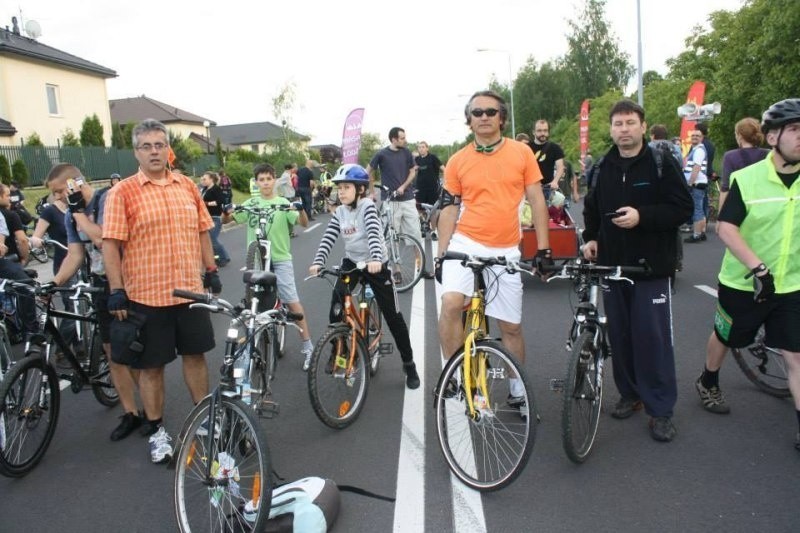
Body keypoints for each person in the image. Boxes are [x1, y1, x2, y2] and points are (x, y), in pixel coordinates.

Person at [102, 119, 220, 464]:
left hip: (190, 293)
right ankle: (156, 431)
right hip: (146, 296)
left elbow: (202, 232)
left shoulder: (186, 186)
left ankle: (203, 420)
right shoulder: (122, 192)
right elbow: (111, 245)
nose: (154, 151)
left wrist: (211, 270)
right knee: (152, 367)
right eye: (146, 146)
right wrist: (116, 290)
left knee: (196, 357)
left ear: (167, 149)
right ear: (136, 152)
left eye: (159, 145)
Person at [582, 99, 692, 443]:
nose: (624, 129)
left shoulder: (661, 163)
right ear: (611, 129)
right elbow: (591, 210)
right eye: (618, 124)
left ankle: (661, 410)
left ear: (643, 127)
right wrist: (591, 239)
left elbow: (682, 208)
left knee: (653, 340)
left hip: (651, 269)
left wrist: (642, 217)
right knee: (622, 337)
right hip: (612, 267)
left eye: (630, 123)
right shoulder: (602, 167)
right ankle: (630, 395)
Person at [437, 90, 552, 418]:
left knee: (511, 327)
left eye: (490, 112)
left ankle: (518, 390)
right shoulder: (458, 160)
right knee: (450, 304)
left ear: (501, 117)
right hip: (465, 242)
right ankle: (455, 375)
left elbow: (537, 200)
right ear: (469, 119)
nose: (484, 117)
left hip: (505, 248)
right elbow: (449, 208)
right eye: (477, 112)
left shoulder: (522, 153)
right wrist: (443, 253)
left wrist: (543, 248)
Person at [694, 98, 800, 452]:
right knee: (728, 335)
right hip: (746, 280)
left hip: (792, 284)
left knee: (795, 355)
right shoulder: (748, 180)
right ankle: (708, 379)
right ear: (772, 138)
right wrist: (758, 267)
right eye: (795, 130)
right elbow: (726, 228)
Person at [46, 164, 144, 441]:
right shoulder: (71, 216)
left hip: (127, 284)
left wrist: (77, 213)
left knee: (133, 353)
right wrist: (53, 283)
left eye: (59, 192)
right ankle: (130, 413)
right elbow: (75, 255)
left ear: (75, 183)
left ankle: (151, 412)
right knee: (113, 354)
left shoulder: (107, 199)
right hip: (102, 286)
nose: (58, 199)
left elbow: (102, 239)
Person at [309, 164, 420, 389]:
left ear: (360, 189)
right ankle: (338, 350)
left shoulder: (367, 207)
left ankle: (409, 364)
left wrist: (377, 259)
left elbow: (373, 234)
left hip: (376, 263)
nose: (341, 192)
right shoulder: (339, 211)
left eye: (346, 187)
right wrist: (318, 261)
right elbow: (329, 236)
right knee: (337, 306)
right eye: (339, 188)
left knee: (393, 316)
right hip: (353, 262)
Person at [223, 163, 315, 371]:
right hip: (256, 260)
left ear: (275, 180)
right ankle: (250, 348)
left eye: (268, 179)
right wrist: (226, 211)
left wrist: (299, 209)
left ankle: (308, 347)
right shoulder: (251, 203)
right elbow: (227, 219)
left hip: (280, 258)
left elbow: (304, 223)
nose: (265, 183)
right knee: (252, 306)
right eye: (261, 179)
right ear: (256, 182)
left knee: (292, 302)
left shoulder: (283, 202)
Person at [366, 127, 421, 243]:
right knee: (389, 239)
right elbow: (367, 171)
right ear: (393, 139)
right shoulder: (381, 154)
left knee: (415, 236)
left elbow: (412, 172)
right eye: (402, 138)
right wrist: (371, 193)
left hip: (408, 200)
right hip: (390, 201)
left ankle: (418, 261)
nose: (405, 140)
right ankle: (392, 261)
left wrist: (403, 186)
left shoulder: (406, 152)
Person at [718, 117, 768, 211]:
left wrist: (720, 216)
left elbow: (726, 188)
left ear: (740, 136)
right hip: (764, 204)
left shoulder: (730, 156)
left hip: (739, 206)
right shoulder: (769, 154)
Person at [199, 171, 231, 267]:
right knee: (209, 239)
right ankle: (222, 256)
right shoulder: (204, 189)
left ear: (211, 179)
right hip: (207, 217)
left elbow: (219, 201)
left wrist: (207, 204)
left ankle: (223, 258)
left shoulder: (216, 189)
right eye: (202, 179)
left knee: (212, 239)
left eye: (205, 179)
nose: (203, 181)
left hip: (215, 217)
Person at [683, 129, 709, 243]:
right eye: (693, 135)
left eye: (697, 136)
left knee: (696, 209)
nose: (694, 137)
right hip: (700, 182)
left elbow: (696, 167)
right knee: (700, 209)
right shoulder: (696, 149)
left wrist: (690, 182)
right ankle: (701, 232)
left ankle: (696, 235)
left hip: (696, 183)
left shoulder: (698, 150)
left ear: (702, 137)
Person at [530, 119, 565, 200]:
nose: (543, 133)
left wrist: (555, 181)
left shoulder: (555, 148)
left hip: (548, 188)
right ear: (533, 132)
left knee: (558, 206)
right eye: (539, 131)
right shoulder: (526, 148)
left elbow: (560, 167)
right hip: (530, 189)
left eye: (545, 130)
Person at [0, 184, 30, 264]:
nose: (10, 198)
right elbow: (22, 240)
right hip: (11, 259)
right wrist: (25, 259)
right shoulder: (11, 215)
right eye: (8, 195)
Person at [414, 141, 442, 206]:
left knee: (433, 208)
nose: (421, 149)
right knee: (420, 207)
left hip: (432, 188)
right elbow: (412, 173)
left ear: (427, 148)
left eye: (423, 147)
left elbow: (444, 169)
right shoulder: (416, 159)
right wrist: (414, 169)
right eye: (419, 147)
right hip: (420, 188)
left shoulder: (433, 157)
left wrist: (447, 181)